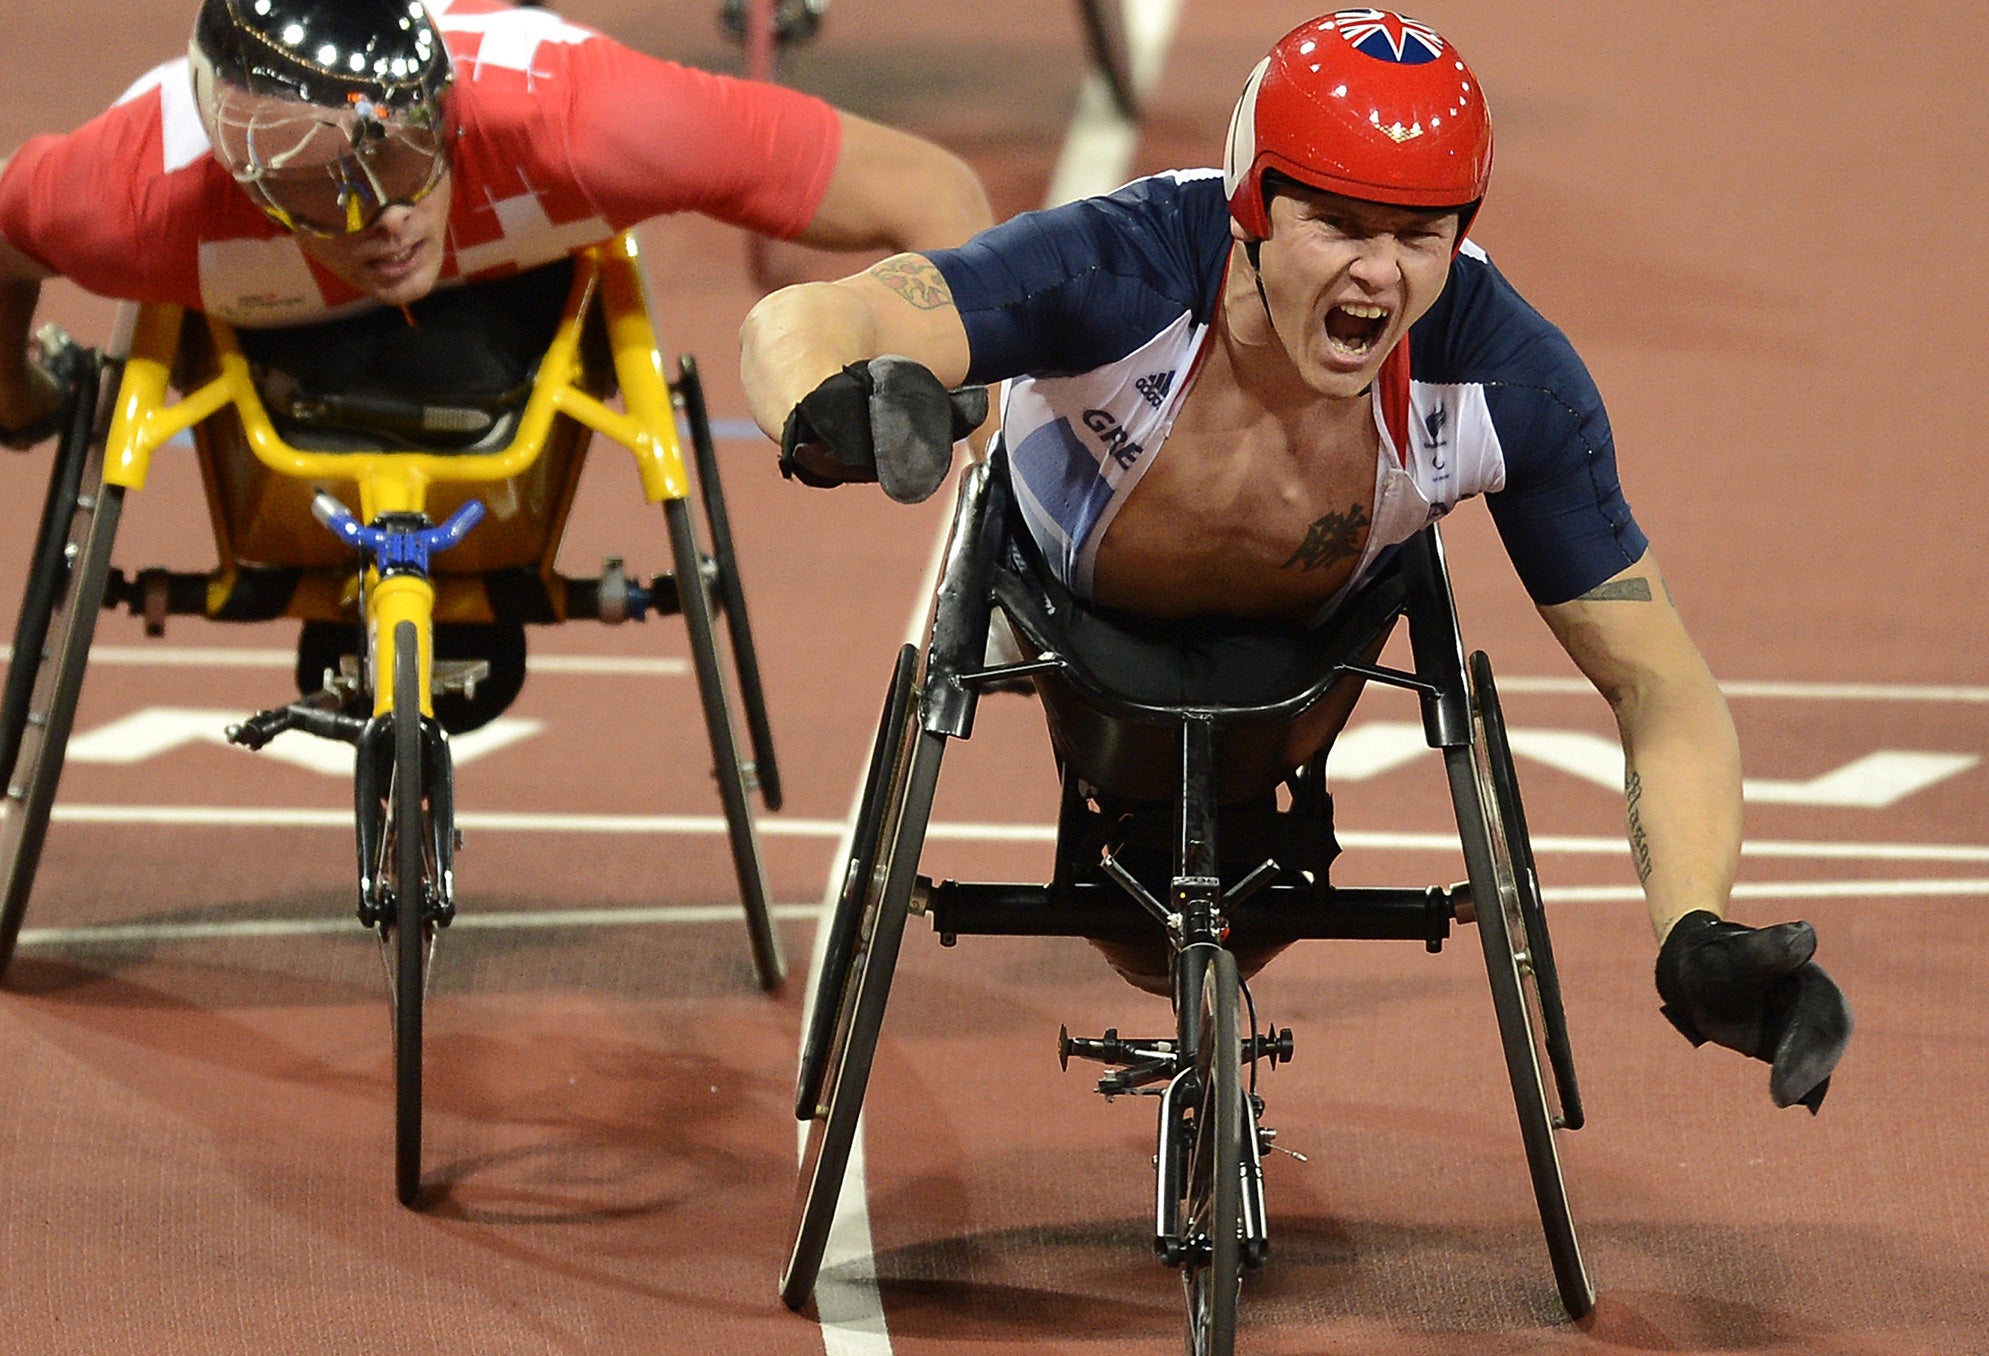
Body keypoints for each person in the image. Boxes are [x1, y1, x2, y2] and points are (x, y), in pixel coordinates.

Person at [738, 10, 1852, 1111]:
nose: (1375, 275)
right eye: (1337, 223)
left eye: (1419, 235)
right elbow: (814, 314)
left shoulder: (1509, 381)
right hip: (1068, 629)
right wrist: (821, 403)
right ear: (1251, 203)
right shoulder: (1115, 270)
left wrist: (1693, 928)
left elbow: (1658, 684)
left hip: (1305, 668)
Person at [0, 0, 992, 444]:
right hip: (249, 320)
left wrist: (965, 410)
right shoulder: (131, 199)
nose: (380, 217)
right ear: (237, 180)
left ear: (446, 115)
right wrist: (14, 392)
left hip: (531, 275)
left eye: (398, 157)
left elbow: (924, 185)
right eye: (316, 192)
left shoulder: (585, 121)